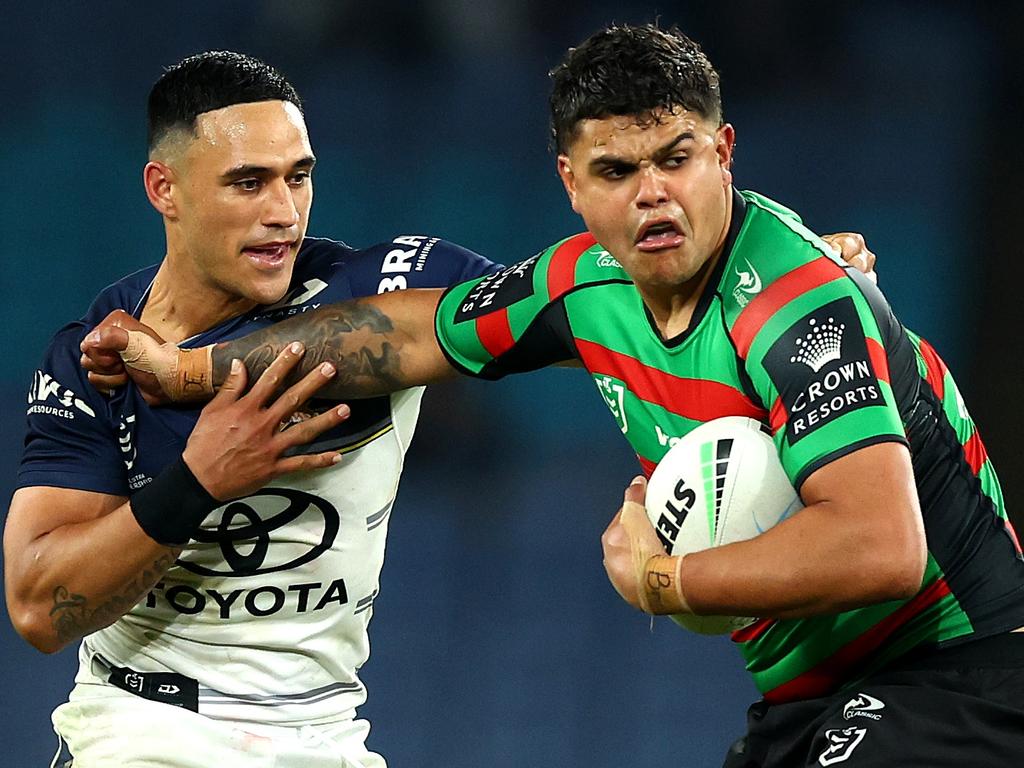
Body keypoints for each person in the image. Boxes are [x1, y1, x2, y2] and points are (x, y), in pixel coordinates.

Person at [86, 24, 1024, 767]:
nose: (654, 195)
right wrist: (194, 371)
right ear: (572, 182)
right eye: (618, 171)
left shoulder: (794, 305)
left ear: (725, 151)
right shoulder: (581, 287)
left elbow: (881, 546)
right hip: (815, 694)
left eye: (678, 157)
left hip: (956, 673)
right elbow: (403, 333)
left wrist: (668, 583)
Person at [3, 51, 502, 767]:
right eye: (248, 182)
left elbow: (545, 310)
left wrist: (188, 375)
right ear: (163, 188)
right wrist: (198, 482)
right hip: (142, 730)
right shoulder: (97, 354)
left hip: (326, 735)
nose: (283, 211)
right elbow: (39, 609)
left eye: (299, 176)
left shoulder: (370, 286)